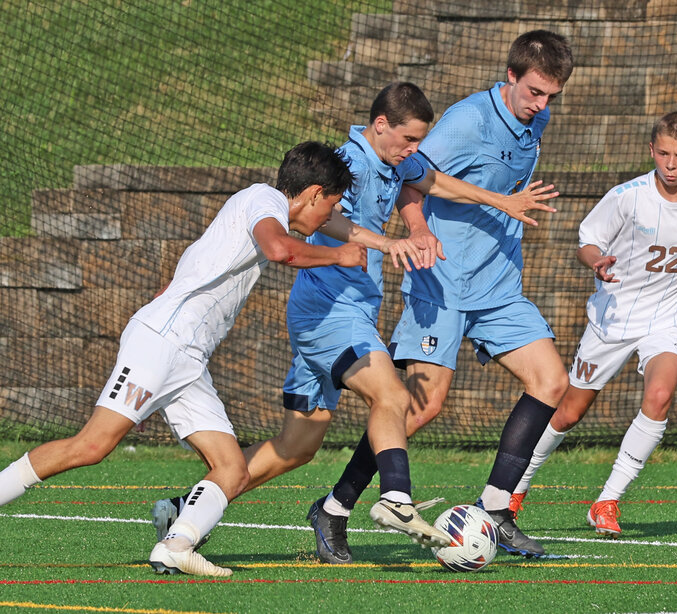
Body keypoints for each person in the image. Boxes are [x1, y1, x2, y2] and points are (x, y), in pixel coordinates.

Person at [150, 82, 561, 560]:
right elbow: (322, 219)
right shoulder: (349, 164)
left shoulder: (394, 159)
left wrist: (493, 202)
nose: (414, 151)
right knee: (391, 394)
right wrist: (385, 243)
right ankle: (397, 500)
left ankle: (187, 509)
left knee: (295, 447)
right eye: (408, 141)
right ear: (380, 126)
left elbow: (430, 180)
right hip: (331, 310)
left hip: (345, 310)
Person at [0, 141, 429, 577]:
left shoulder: (274, 206)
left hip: (186, 358)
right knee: (91, 446)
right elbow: (281, 249)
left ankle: (177, 544)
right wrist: (338, 255)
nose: (328, 219)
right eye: (331, 205)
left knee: (232, 469)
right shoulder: (262, 200)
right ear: (314, 193)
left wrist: (384, 243)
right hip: (165, 343)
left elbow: (335, 228)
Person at [310, 30, 575, 562]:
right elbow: (413, 179)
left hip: (499, 282)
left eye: (552, 96)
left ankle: (497, 510)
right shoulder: (467, 121)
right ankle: (335, 508)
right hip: (444, 280)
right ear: (510, 78)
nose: (543, 106)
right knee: (421, 406)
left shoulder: (536, 119)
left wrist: (508, 204)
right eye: (535, 93)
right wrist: (419, 232)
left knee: (552, 381)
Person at [509, 111, 677, 538]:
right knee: (569, 412)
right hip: (615, 318)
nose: (671, 164)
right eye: (663, 153)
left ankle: (607, 501)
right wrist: (596, 262)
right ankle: (515, 488)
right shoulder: (627, 196)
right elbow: (588, 240)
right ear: (651, 151)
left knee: (660, 395)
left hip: (671, 322)